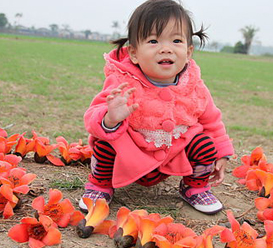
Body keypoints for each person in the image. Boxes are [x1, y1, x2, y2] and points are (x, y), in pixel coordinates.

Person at [79, 0, 234, 215]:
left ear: (189, 52)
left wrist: (222, 153)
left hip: (174, 153)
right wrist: (110, 118)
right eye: (153, 41)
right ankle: (100, 185)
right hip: (131, 152)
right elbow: (91, 119)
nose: (166, 49)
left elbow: (212, 122)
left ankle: (194, 187)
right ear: (133, 53)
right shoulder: (122, 82)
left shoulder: (194, 86)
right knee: (106, 144)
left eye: (176, 40)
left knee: (205, 144)